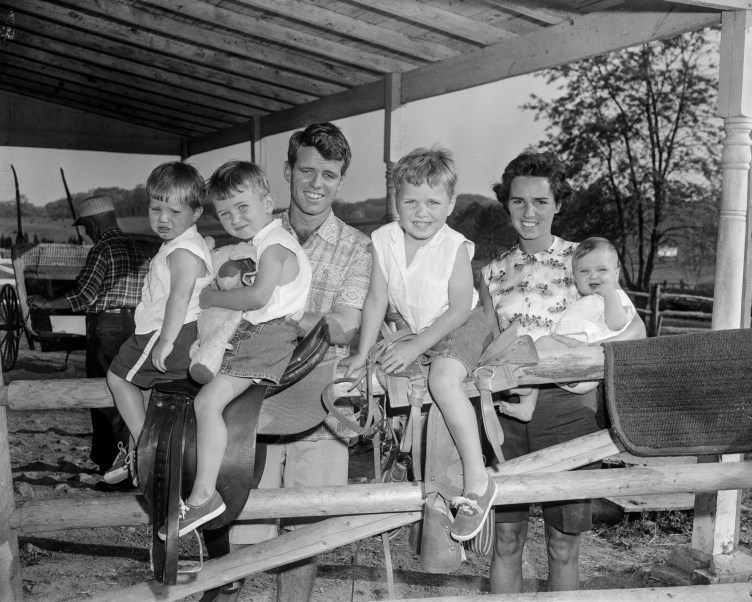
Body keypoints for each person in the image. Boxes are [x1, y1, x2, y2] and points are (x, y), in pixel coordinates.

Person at [479, 150, 646, 593]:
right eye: (518, 201)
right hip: (509, 412)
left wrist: (580, 357)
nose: (529, 212)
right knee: (507, 539)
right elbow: (487, 344)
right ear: (506, 203)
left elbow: (633, 330)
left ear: (558, 204)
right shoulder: (492, 271)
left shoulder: (586, 259)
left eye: (540, 201)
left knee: (562, 542)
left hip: (570, 410)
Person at [225, 122, 372, 602]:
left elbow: (345, 325)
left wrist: (266, 306)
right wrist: (309, 316)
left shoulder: (357, 246)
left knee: (305, 533)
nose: (316, 183)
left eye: (329, 174)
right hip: (251, 401)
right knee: (241, 523)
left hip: (320, 403)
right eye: (307, 170)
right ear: (287, 171)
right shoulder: (251, 231)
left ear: (340, 179)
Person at [344, 146, 495, 541]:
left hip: (461, 323)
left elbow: (460, 309)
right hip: (419, 326)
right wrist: (361, 352)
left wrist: (413, 347)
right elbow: (376, 299)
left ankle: (479, 481)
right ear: (396, 202)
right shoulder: (383, 239)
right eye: (410, 201)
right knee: (383, 374)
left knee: (443, 381)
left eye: (433, 202)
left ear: (451, 205)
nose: (421, 211)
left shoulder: (454, 247)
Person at [156, 160, 312, 539]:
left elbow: (258, 298)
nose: (235, 218)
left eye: (243, 207)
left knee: (207, 403)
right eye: (225, 213)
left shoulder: (274, 246)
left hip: (268, 336)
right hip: (263, 332)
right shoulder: (266, 244)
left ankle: (203, 496)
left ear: (269, 202)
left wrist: (211, 297)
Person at [103, 161, 214, 484]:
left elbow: (179, 298)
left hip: (166, 331)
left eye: (174, 213)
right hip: (175, 330)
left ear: (195, 214)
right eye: (155, 209)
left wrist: (165, 341)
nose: (162, 219)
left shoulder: (181, 252)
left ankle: (144, 446)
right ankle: (142, 444)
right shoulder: (186, 244)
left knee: (118, 379)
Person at [28, 195, 150, 485]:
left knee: (104, 395)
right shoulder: (136, 248)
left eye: (86, 227)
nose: (86, 233)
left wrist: (47, 303)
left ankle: (113, 467)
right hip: (135, 326)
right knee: (129, 394)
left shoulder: (102, 249)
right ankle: (132, 462)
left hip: (106, 326)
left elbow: (84, 295)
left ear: (94, 222)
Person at [505, 236, 638, 419]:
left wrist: (610, 294)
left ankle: (526, 385)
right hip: (567, 360)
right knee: (537, 346)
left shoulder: (616, 296)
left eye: (602, 270)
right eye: (584, 271)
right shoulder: (585, 300)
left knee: (541, 346)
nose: (593, 276)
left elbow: (618, 323)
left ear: (616, 274)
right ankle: (527, 406)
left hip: (587, 365)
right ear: (574, 277)